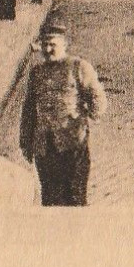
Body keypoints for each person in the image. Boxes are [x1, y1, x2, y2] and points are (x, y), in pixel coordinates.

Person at [19, 23, 107, 206]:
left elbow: (97, 96)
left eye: (53, 44)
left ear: (64, 44)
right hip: (45, 147)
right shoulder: (37, 73)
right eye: (44, 44)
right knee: (50, 198)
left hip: (73, 145)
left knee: (75, 197)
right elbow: (28, 110)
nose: (48, 49)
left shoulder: (79, 67)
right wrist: (26, 142)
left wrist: (86, 118)